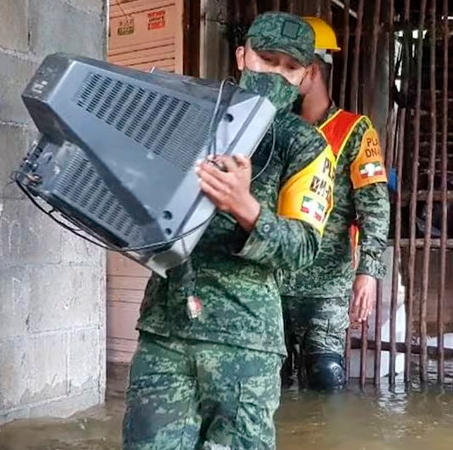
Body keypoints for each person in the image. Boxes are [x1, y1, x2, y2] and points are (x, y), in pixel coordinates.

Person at [122, 12, 336, 450]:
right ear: (242, 56)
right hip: (166, 328)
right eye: (266, 59)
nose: (275, 73)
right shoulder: (190, 115)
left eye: (289, 66)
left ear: (304, 76)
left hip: (244, 341)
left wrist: (246, 208)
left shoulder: (306, 145)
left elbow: (303, 248)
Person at [278, 16, 390, 391]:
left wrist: (369, 272)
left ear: (311, 70)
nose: (280, 76)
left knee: (325, 378)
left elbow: (374, 206)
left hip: (328, 285)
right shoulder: (273, 129)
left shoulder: (355, 130)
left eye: (289, 67)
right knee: (269, 382)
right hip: (273, 280)